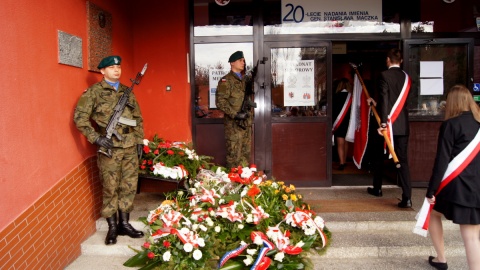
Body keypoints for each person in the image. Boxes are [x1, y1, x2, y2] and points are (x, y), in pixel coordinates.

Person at [74, 56, 145, 245]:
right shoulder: (93, 93)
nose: (116, 70)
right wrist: (96, 138)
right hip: (110, 148)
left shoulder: (127, 92)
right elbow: (80, 118)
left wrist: (139, 142)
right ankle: (112, 227)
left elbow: (137, 118)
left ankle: (125, 224)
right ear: (102, 71)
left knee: (129, 185)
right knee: (110, 187)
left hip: (129, 146)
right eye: (112, 67)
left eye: (119, 67)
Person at [425, 85, 480, 270]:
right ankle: (441, 260)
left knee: (433, 213)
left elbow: (441, 161)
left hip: (458, 188)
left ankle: (442, 259)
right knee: (472, 235)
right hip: (476, 187)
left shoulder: (450, 125)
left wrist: (431, 190)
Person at [366, 49, 413, 208]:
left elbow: (386, 100)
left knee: (378, 156)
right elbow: (397, 103)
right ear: (400, 61)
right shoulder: (407, 78)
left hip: (387, 124)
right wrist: (376, 104)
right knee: (403, 160)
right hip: (402, 125)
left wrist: (384, 124)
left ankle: (378, 188)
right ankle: (407, 197)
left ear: (387, 60)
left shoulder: (384, 76)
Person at [216, 51, 254, 169]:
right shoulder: (226, 81)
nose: (243, 62)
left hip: (246, 124)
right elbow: (220, 102)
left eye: (244, 60)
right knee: (234, 157)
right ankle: (232, 184)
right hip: (234, 126)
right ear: (232, 63)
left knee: (245, 156)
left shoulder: (245, 81)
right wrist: (236, 114)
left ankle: (243, 183)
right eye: (240, 60)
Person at [332, 78, 353, 170]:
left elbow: (333, 111)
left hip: (339, 122)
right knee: (346, 142)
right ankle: (344, 160)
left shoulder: (336, 96)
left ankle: (341, 163)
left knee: (340, 143)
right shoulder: (352, 97)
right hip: (349, 122)